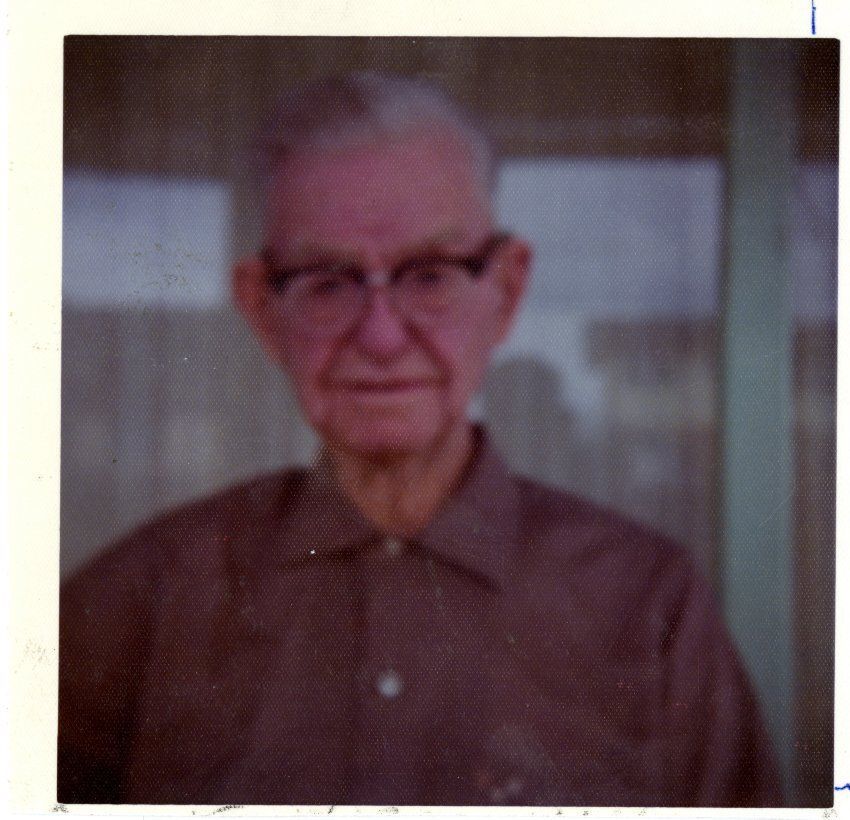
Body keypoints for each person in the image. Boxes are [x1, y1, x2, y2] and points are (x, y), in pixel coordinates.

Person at [58, 72, 781, 807]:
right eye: (326, 281)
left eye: (430, 275)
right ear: (262, 310)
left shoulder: (646, 606)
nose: (380, 337)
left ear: (506, 291)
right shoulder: (132, 606)